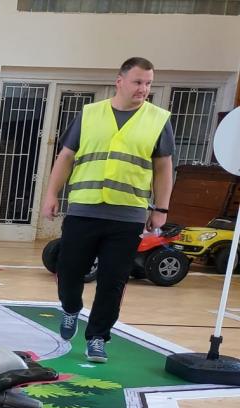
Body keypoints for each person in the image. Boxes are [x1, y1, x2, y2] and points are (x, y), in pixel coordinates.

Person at [42, 56, 175, 364]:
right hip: (83, 210)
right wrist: (51, 194)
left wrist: (161, 208)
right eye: (138, 82)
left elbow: (163, 168)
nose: (143, 89)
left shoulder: (158, 120)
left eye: (148, 83)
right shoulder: (90, 114)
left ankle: (98, 337)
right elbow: (65, 157)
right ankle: (71, 308)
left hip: (127, 216)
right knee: (69, 270)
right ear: (120, 81)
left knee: (113, 281)